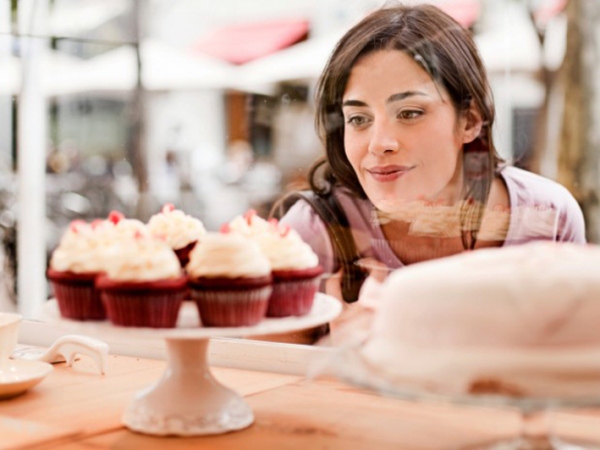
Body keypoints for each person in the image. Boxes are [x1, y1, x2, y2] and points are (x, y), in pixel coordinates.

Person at [274, 4, 586, 319]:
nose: (380, 143)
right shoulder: (313, 233)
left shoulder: (549, 217)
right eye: (358, 118)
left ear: (469, 121)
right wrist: (338, 360)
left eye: (410, 113)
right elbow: (259, 365)